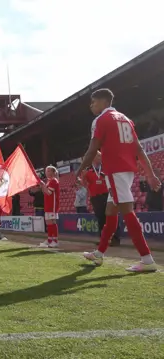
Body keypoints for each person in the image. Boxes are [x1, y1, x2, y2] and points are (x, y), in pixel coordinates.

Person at [77, 88, 159, 272]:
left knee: (127, 212)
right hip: (126, 170)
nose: (91, 105)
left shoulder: (100, 120)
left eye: (93, 102)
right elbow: (139, 150)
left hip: (115, 170)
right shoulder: (126, 119)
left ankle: (147, 259)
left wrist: (80, 170)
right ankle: (99, 254)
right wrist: (150, 174)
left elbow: (92, 150)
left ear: (104, 102)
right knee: (110, 212)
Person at [81, 151, 121, 246]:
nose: (100, 157)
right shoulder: (88, 170)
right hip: (95, 197)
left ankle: (115, 239)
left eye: (100, 155)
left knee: (111, 217)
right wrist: (83, 176)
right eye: (97, 156)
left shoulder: (106, 167)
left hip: (108, 195)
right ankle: (103, 240)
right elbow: (84, 185)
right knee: (101, 219)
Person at [39, 166, 60, 248]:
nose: (46, 172)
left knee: (52, 222)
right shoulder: (49, 181)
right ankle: (49, 239)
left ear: (53, 172)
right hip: (48, 205)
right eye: (46, 171)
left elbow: (49, 193)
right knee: (48, 223)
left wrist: (43, 185)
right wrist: (42, 186)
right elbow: (45, 192)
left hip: (52, 205)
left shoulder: (54, 181)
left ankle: (55, 240)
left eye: (48, 171)